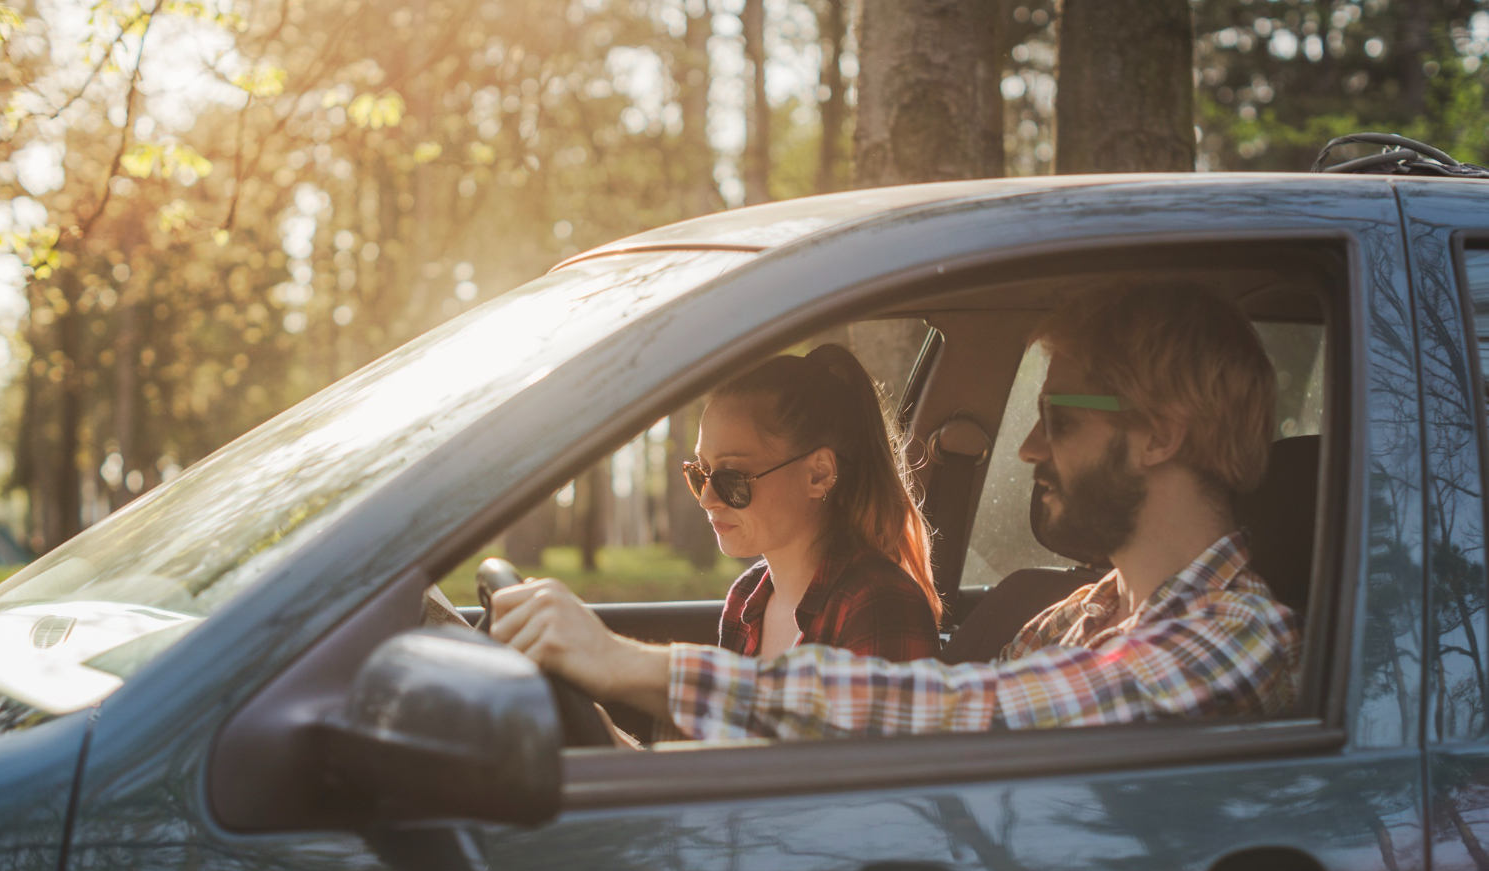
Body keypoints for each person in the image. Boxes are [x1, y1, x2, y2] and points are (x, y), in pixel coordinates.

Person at [490, 281, 1301, 740]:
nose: (1027, 450)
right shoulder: (1075, 618)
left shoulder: (1236, 638)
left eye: (1058, 420)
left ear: (1159, 434)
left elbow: (962, 716)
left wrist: (635, 664)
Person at [687, 345, 940, 667]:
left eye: (732, 477)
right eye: (701, 473)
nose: (707, 499)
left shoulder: (879, 603)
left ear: (818, 473)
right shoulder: (747, 596)